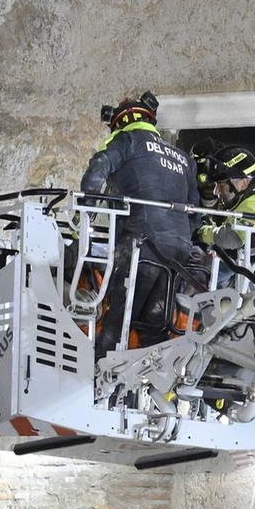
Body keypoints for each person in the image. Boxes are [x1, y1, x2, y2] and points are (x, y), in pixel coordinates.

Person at [81, 91, 199, 360]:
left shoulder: (128, 141)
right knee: (154, 319)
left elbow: (97, 171)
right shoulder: (182, 157)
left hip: (140, 245)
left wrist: (85, 212)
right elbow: (194, 212)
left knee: (120, 317)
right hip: (179, 250)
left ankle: (97, 373)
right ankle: (152, 378)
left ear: (119, 122)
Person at [195, 147, 255, 286]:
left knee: (196, 275)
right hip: (248, 276)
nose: (216, 192)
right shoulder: (249, 203)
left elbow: (232, 239)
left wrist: (202, 233)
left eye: (221, 185)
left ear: (243, 183)